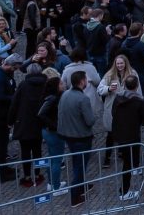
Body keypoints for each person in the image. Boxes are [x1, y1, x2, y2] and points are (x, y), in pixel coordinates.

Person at [58, 70, 97, 208]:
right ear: (82, 81)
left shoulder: (65, 94)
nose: (87, 81)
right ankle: (75, 196)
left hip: (69, 136)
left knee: (77, 163)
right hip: (81, 137)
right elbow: (90, 121)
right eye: (85, 79)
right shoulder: (83, 98)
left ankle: (81, 186)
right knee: (80, 166)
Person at [98, 54, 141, 168]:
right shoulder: (109, 75)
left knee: (125, 132)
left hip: (127, 108)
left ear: (125, 63)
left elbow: (138, 90)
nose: (120, 65)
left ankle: (122, 152)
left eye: (121, 63)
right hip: (113, 108)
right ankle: (107, 157)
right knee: (111, 133)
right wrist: (108, 89)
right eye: (118, 63)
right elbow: (100, 89)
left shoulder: (132, 73)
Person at [112, 74, 144, 200]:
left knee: (127, 162)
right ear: (137, 86)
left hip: (120, 134)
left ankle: (133, 174)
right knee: (127, 164)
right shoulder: (138, 101)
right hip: (132, 136)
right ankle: (124, 192)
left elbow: (113, 113)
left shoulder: (118, 98)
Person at [0, 53, 22, 182]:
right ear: (9, 65)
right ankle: (1, 174)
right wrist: (15, 98)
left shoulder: (4, 73)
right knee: (1, 145)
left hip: (1, 114)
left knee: (4, 143)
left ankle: (4, 168)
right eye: (14, 68)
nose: (15, 71)